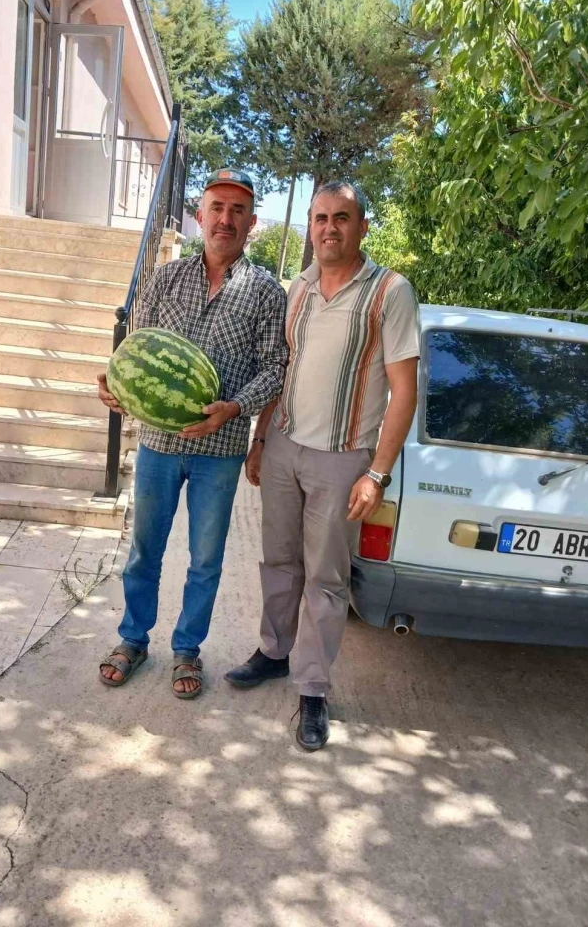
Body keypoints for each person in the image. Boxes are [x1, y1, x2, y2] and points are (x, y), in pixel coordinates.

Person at [226, 181, 420, 751]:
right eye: (320, 219)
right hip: (284, 445)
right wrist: (261, 438)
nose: (329, 228)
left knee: (326, 578)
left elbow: (403, 391)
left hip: (343, 459)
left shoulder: (391, 292)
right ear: (309, 226)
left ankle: (312, 688)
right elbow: (285, 371)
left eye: (341, 218)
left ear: (362, 226)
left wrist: (377, 473)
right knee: (279, 561)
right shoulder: (301, 286)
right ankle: (273, 652)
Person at [97, 169, 288, 699]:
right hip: (159, 442)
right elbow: (136, 349)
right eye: (217, 207)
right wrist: (114, 383)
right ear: (200, 214)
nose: (225, 219)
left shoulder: (267, 292)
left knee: (205, 559)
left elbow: (276, 367)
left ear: (251, 222)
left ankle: (187, 650)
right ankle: (133, 639)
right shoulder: (168, 278)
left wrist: (236, 409)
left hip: (220, 450)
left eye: (238, 211)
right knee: (144, 550)